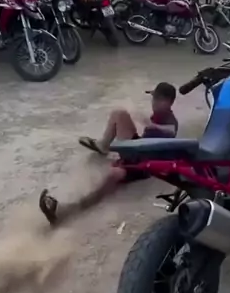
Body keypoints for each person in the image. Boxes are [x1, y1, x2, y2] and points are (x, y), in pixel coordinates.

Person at [39, 83, 179, 226]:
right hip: (138, 147)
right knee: (119, 113)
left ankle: (67, 211)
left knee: (112, 175)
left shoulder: (170, 121)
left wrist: (151, 125)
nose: (153, 102)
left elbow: (171, 131)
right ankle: (103, 146)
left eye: (158, 99)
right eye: (154, 98)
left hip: (144, 163)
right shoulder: (158, 115)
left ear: (168, 102)